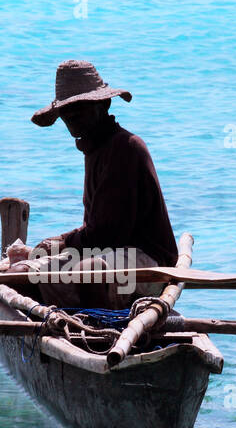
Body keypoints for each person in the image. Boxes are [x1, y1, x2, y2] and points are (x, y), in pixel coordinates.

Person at [24, 59, 178, 309]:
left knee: (89, 270)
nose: (72, 116)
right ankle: (59, 318)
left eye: (80, 107)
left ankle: (97, 327)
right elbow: (99, 234)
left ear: (103, 104)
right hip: (112, 251)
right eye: (67, 110)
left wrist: (61, 241)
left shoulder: (124, 148)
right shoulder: (95, 148)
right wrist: (55, 246)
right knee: (29, 266)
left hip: (149, 263)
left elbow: (109, 233)